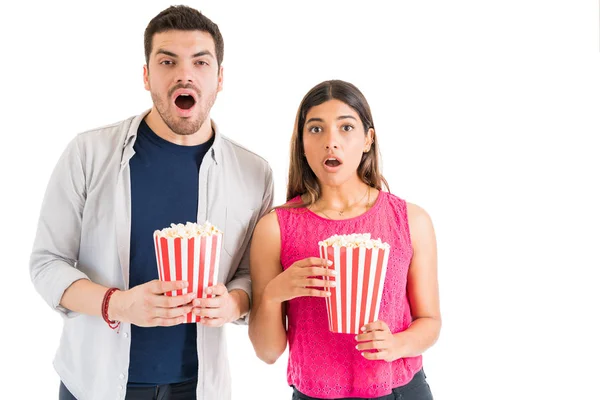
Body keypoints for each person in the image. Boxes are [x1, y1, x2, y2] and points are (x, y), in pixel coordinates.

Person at [29, 5, 273, 400]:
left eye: (200, 61)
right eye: (167, 61)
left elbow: (250, 274)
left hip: (199, 387)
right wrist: (118, 304)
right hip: (95, 384)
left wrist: (232, 304)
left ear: (220, 78)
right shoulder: (88, 153)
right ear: (146, 75)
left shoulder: (254, 172)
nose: (184, 73)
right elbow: (46, 263)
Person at [248, 80, 440, 399]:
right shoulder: (274, 229)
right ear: (301, 144)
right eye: (316, 129)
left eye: (346, 127)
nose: (331, 142)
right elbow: (267, 352)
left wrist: (396, 344)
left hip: (401, 390)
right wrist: (272, 295)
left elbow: (430, 321)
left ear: (368, 139)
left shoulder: (411, 220)